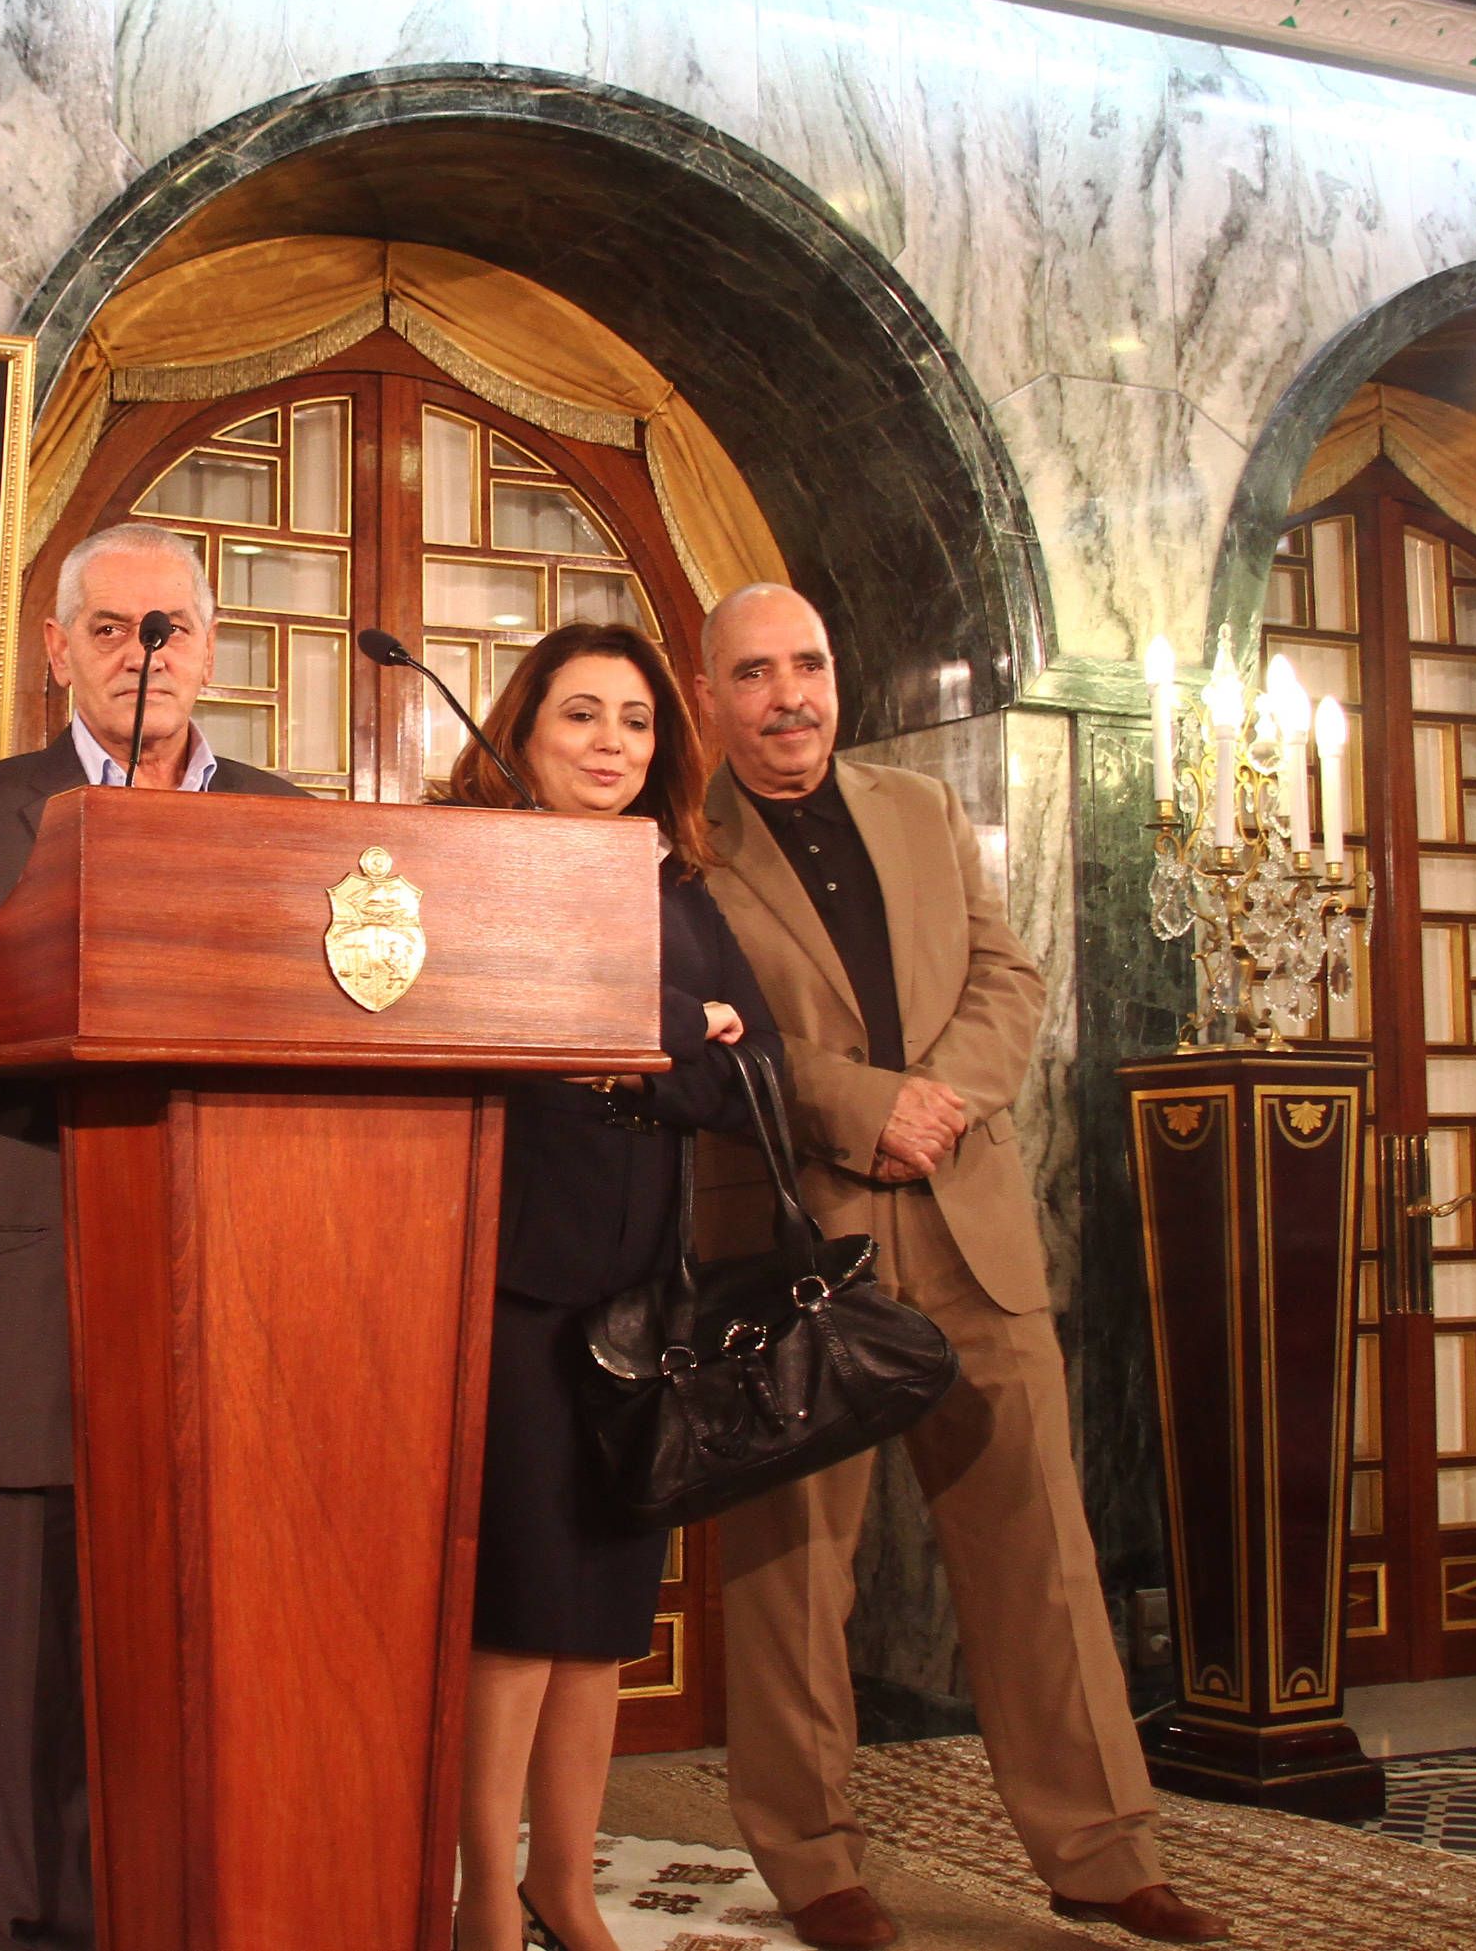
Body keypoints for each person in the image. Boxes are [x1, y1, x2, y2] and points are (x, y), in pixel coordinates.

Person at [690, 583, 1228, 1949]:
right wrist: (867, 1108)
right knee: (794, 1575)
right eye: (752, 673)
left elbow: (1009, 977)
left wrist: (940, 1099)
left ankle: (1104, 1854)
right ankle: (814, 1864)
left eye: (806, 664)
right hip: (801, 1243)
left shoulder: (921, 807)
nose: (787, 696)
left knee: (1040, 1555)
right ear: (707, 698)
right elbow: (699, 1032)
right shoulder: (676, 845)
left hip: (972, 1223)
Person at [0, 521, 305, 1948]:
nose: (144, 656)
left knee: (228, 1671)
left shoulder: (286, 819)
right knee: (38, 1676)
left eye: (169, 629)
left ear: (211, 651)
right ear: (55, 651)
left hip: (244, 1291)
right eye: (112, 630)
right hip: (37, 1299)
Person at [436, 624, 776, 1951]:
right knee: (520, 1608)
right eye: (581, 714)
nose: (610, 743)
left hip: (645, 1296)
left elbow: (749, 1076)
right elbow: (487, 1025)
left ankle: (562, 1886)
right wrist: (671, 1033)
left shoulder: (676, 887)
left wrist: (637, 1047)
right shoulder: (477, 863)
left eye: (634, 722)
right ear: (523, 731)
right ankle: (480, 1892)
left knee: (602, 1616)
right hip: (511, 1274)